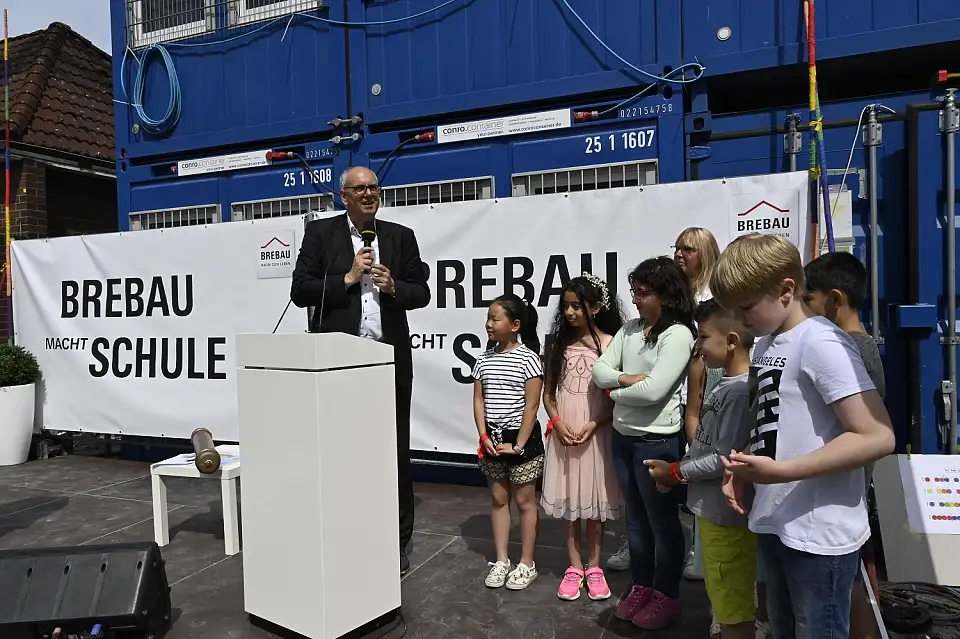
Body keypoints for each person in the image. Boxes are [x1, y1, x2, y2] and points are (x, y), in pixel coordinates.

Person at [712, 234, 896, 639]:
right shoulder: (767, 344)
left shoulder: (823, 343)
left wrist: (782, 472)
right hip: (777, 522)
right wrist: (746, 469)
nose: (740, 320)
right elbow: (776, 424)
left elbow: (878, 436)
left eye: (746, 307)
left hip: (819, 536)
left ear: (786, 289)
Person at [290, 166, 431, 576]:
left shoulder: (400, 237)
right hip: (339, 361)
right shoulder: (321, 235)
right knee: (341, 451)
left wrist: (393, 289)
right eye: (360, 189)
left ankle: (397, 542)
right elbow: (300, 291)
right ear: (344, 196)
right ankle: (345, 533)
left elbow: (421, 291)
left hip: (389, 359)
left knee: (394, 451)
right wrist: (347, 278)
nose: (369, 194)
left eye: (374, 188)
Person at [592, 256, 697, 630]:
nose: (635, 298)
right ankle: (641, 586)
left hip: (657, 442)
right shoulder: (630, 329)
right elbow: (598, 370)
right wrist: (624, 380)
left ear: (666, 295)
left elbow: (655, 392)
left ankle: (666, 595)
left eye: (643, 292)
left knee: (662, 524)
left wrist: (614, 391)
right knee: (635, 521)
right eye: (634, 290)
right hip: (624, 439)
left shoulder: (679, 334)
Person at [645, 299, 756, 639]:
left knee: (732, 609)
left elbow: (724, 456)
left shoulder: (738, 393)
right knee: (723, 601)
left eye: (704, 337)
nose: (698, 346)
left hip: (726, 520)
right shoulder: (727, 386)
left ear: (732, 340)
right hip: (711, 514)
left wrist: (675, 473)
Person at [804, 251, 886, 639]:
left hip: (842, 496)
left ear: (834, 300)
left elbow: (865, 429)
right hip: (843, 492)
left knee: (851, 585)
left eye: (809, 299)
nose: (802, 309)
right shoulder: (858, 343)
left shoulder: (849, 350)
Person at [540, 274, 625, 602]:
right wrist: (557, 422)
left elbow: (616, 396)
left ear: (596, 307)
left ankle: (595, 566)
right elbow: (549, 393)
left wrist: (595, 423)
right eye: (566, 306)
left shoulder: (610, 343)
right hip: (565, 434)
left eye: (577, 306)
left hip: (596, 433)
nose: (571, 312)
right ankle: (573, 566)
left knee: (594, 503)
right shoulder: (558, 344)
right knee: (571, 502)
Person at [472, 293, 545, 591]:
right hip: (492, 439)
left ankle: (526, 563)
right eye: (488, 318)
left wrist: (518, 445)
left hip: (520, 440)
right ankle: (501, 559)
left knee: (525, 501)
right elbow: (478, 399)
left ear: (515, 325)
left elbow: (532, 405)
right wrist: (484, 435)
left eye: (495, 318)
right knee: (499, 499)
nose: (489, 323)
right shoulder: (483, 359)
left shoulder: (529, 359)